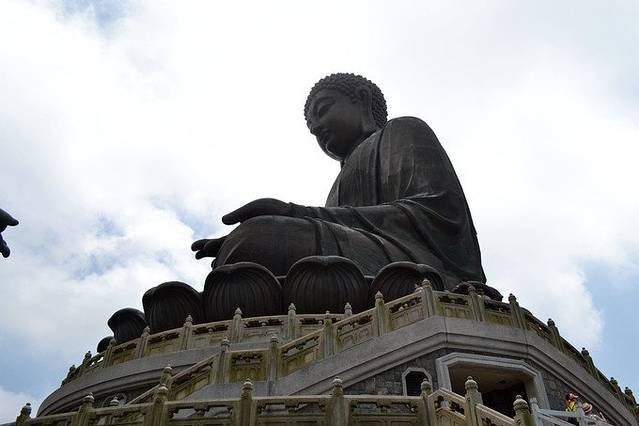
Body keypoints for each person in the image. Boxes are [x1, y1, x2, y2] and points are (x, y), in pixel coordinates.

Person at [192, 73, 488, 292]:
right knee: (249, 244)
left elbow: (437, 217)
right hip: (354, 266)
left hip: (418, 267)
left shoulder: (402, 130)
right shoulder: (336, 186)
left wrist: (293, 214)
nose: (317, 128)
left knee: (257, 237)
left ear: (361, 98)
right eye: (311, 128)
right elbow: (337, 234)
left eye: (323, 111)